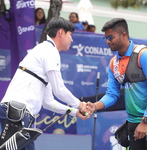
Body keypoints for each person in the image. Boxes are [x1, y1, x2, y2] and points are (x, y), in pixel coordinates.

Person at [0, 17, 91, 150]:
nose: (72, 40)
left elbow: (48, 102)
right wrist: (80, 104)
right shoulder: (49, 51)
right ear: (61, 33)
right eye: (70, 35)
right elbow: (59, 90)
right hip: (15, 113)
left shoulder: (44, 51)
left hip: (16, 113)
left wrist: (74, 111)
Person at [87, 18, 147, 150]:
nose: (107, 41)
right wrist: (94, 106)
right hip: (133, 121)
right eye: (106, 38)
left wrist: (145, 121)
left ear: (124, 34)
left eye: (110, 37)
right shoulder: (114, 62)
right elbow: (112, 95)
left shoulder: (144, 55)